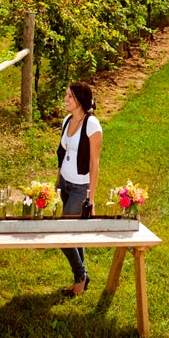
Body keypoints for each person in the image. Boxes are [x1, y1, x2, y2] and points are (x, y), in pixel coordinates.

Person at [55, 82, 103, 297]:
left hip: (80, 187)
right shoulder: (67, 120)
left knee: (62, 234)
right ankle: (81, 280)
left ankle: (80, 276)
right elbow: (63, 155)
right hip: (65, 183)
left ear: (81, 101)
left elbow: (94, 164)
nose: (65, 99)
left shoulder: (92, 125)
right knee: (74, 233)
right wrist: (57, 184)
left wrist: (90, 199)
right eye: (65, 95)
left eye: (70, 96)